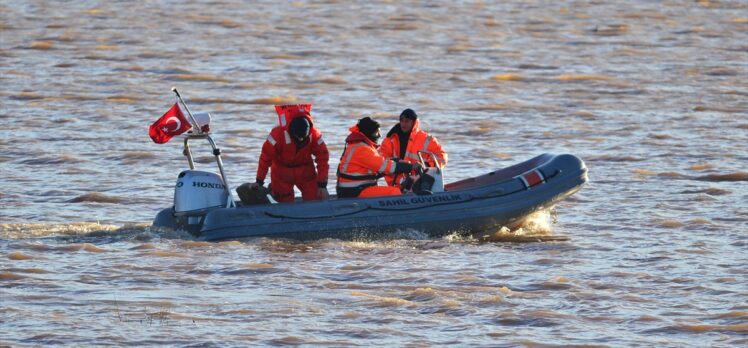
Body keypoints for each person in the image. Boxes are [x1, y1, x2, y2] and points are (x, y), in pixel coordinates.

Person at [252, 104, 330, 203]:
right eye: (298, 138)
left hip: (306, 172)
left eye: (303, 139)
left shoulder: (315, 135)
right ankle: (273, 189)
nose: (300, 141)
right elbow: (265, 158)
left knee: (315, 200)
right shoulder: (277, 135)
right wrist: (259, 181)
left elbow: (323, 159)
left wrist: (322, 185)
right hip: (281, 174)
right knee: (285, 204)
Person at [336, 117, 421, 198]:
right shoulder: (362, 149)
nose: (379, 136)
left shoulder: (358, 146)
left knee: (397, 189)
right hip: (355, 191)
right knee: (394, 192)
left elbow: (377, 164)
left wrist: (397, 162)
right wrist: (410, 167)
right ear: (368, 132)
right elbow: (384, 166)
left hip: (352, 189)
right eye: (377, 132)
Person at [379, 108, 447, 187]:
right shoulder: (389, 140)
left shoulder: (427, 139)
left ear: (414, 122)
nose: (404, 124)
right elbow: (381, 161)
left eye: (407, 121)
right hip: (396, 184)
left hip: (421, 182)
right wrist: (398, 163)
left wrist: (426, 165)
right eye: (402, 121)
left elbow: (442, 157)